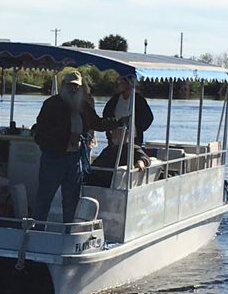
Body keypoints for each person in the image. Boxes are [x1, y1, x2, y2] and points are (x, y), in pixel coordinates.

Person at [33, 71, 117, 223]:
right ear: (63, 86)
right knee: (44, 199)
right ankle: (36, 232)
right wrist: (66, 137)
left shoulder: (83, 106)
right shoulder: (51, 104)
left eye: (76, 87)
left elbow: (97, 123)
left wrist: (118, 122)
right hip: (53, 159)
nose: (73, 89)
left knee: (71, 201)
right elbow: (39, 133)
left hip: (74, 159)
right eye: (70, 85)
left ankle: (68, 233)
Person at [86, 78, 154, 187]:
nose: (118, 84)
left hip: (132, 138)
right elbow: (106, 116)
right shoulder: (115, 100)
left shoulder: (139, 100)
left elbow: (148, 118)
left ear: (129, 84)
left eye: (121, 82)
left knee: (128, 157)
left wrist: (135, 127)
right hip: (115, 140)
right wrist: (112, 130)